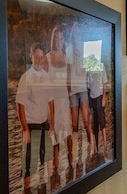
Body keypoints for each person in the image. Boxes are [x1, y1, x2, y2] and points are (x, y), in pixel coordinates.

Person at [16, 42, 54, 180]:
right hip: (31, 127)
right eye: (36, 56)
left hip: (44, 124)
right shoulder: (26, 78)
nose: (39, 60)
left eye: (41, 57)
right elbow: (19, 105)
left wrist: (52, 125)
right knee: (29, 166)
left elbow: (50, 102)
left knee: (48, 159)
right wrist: (25, 130)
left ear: (44, 58)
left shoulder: (46, 76)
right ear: (31, 57)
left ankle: (46, 191)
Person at [46, 25, 72, 171]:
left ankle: (70, 163)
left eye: (61, 38)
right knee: (54, 132)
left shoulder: (66, 57)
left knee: (67, 130)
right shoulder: (48, 57)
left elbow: (68, 81)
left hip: (63, 98)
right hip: (52, 98)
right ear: (53, 39)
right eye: (57, 38)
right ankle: (55, 166)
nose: (59, 41)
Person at [66, 22, 95, 154]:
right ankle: (75, 152)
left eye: (78, 33)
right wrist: (67, 89)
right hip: (72, 91)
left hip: (83, 89)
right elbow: (67, 73)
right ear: (72, 35)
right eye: (75, 33)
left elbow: (90, 72)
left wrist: (91, 91)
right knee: (74, 124)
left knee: (86, 119)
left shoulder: (86, 50)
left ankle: (92, 146)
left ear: (80, 35)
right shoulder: (68, 50)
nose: (76, 36)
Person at [87, 68, 108, 155]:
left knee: (101, 121)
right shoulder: (88, 69)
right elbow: (88, 86)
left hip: (99, 97)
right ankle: (95, 147)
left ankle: (105, 143)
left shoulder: (102, 67)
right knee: (94, 123)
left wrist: (103, 98)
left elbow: (104, 84)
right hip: (92, 97)